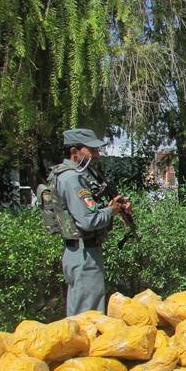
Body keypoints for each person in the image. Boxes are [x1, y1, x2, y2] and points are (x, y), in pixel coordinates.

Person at [54, 129, 127, 316]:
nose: (96, 155)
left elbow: (88, 210)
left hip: (78, 252)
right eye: (91, 150)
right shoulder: (73, 179)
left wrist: (109, 207)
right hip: (84, 254)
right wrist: (111, 211)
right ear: (74, 151)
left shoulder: (67, 175)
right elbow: (88, 220)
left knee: (80, 314)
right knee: (88, 318)